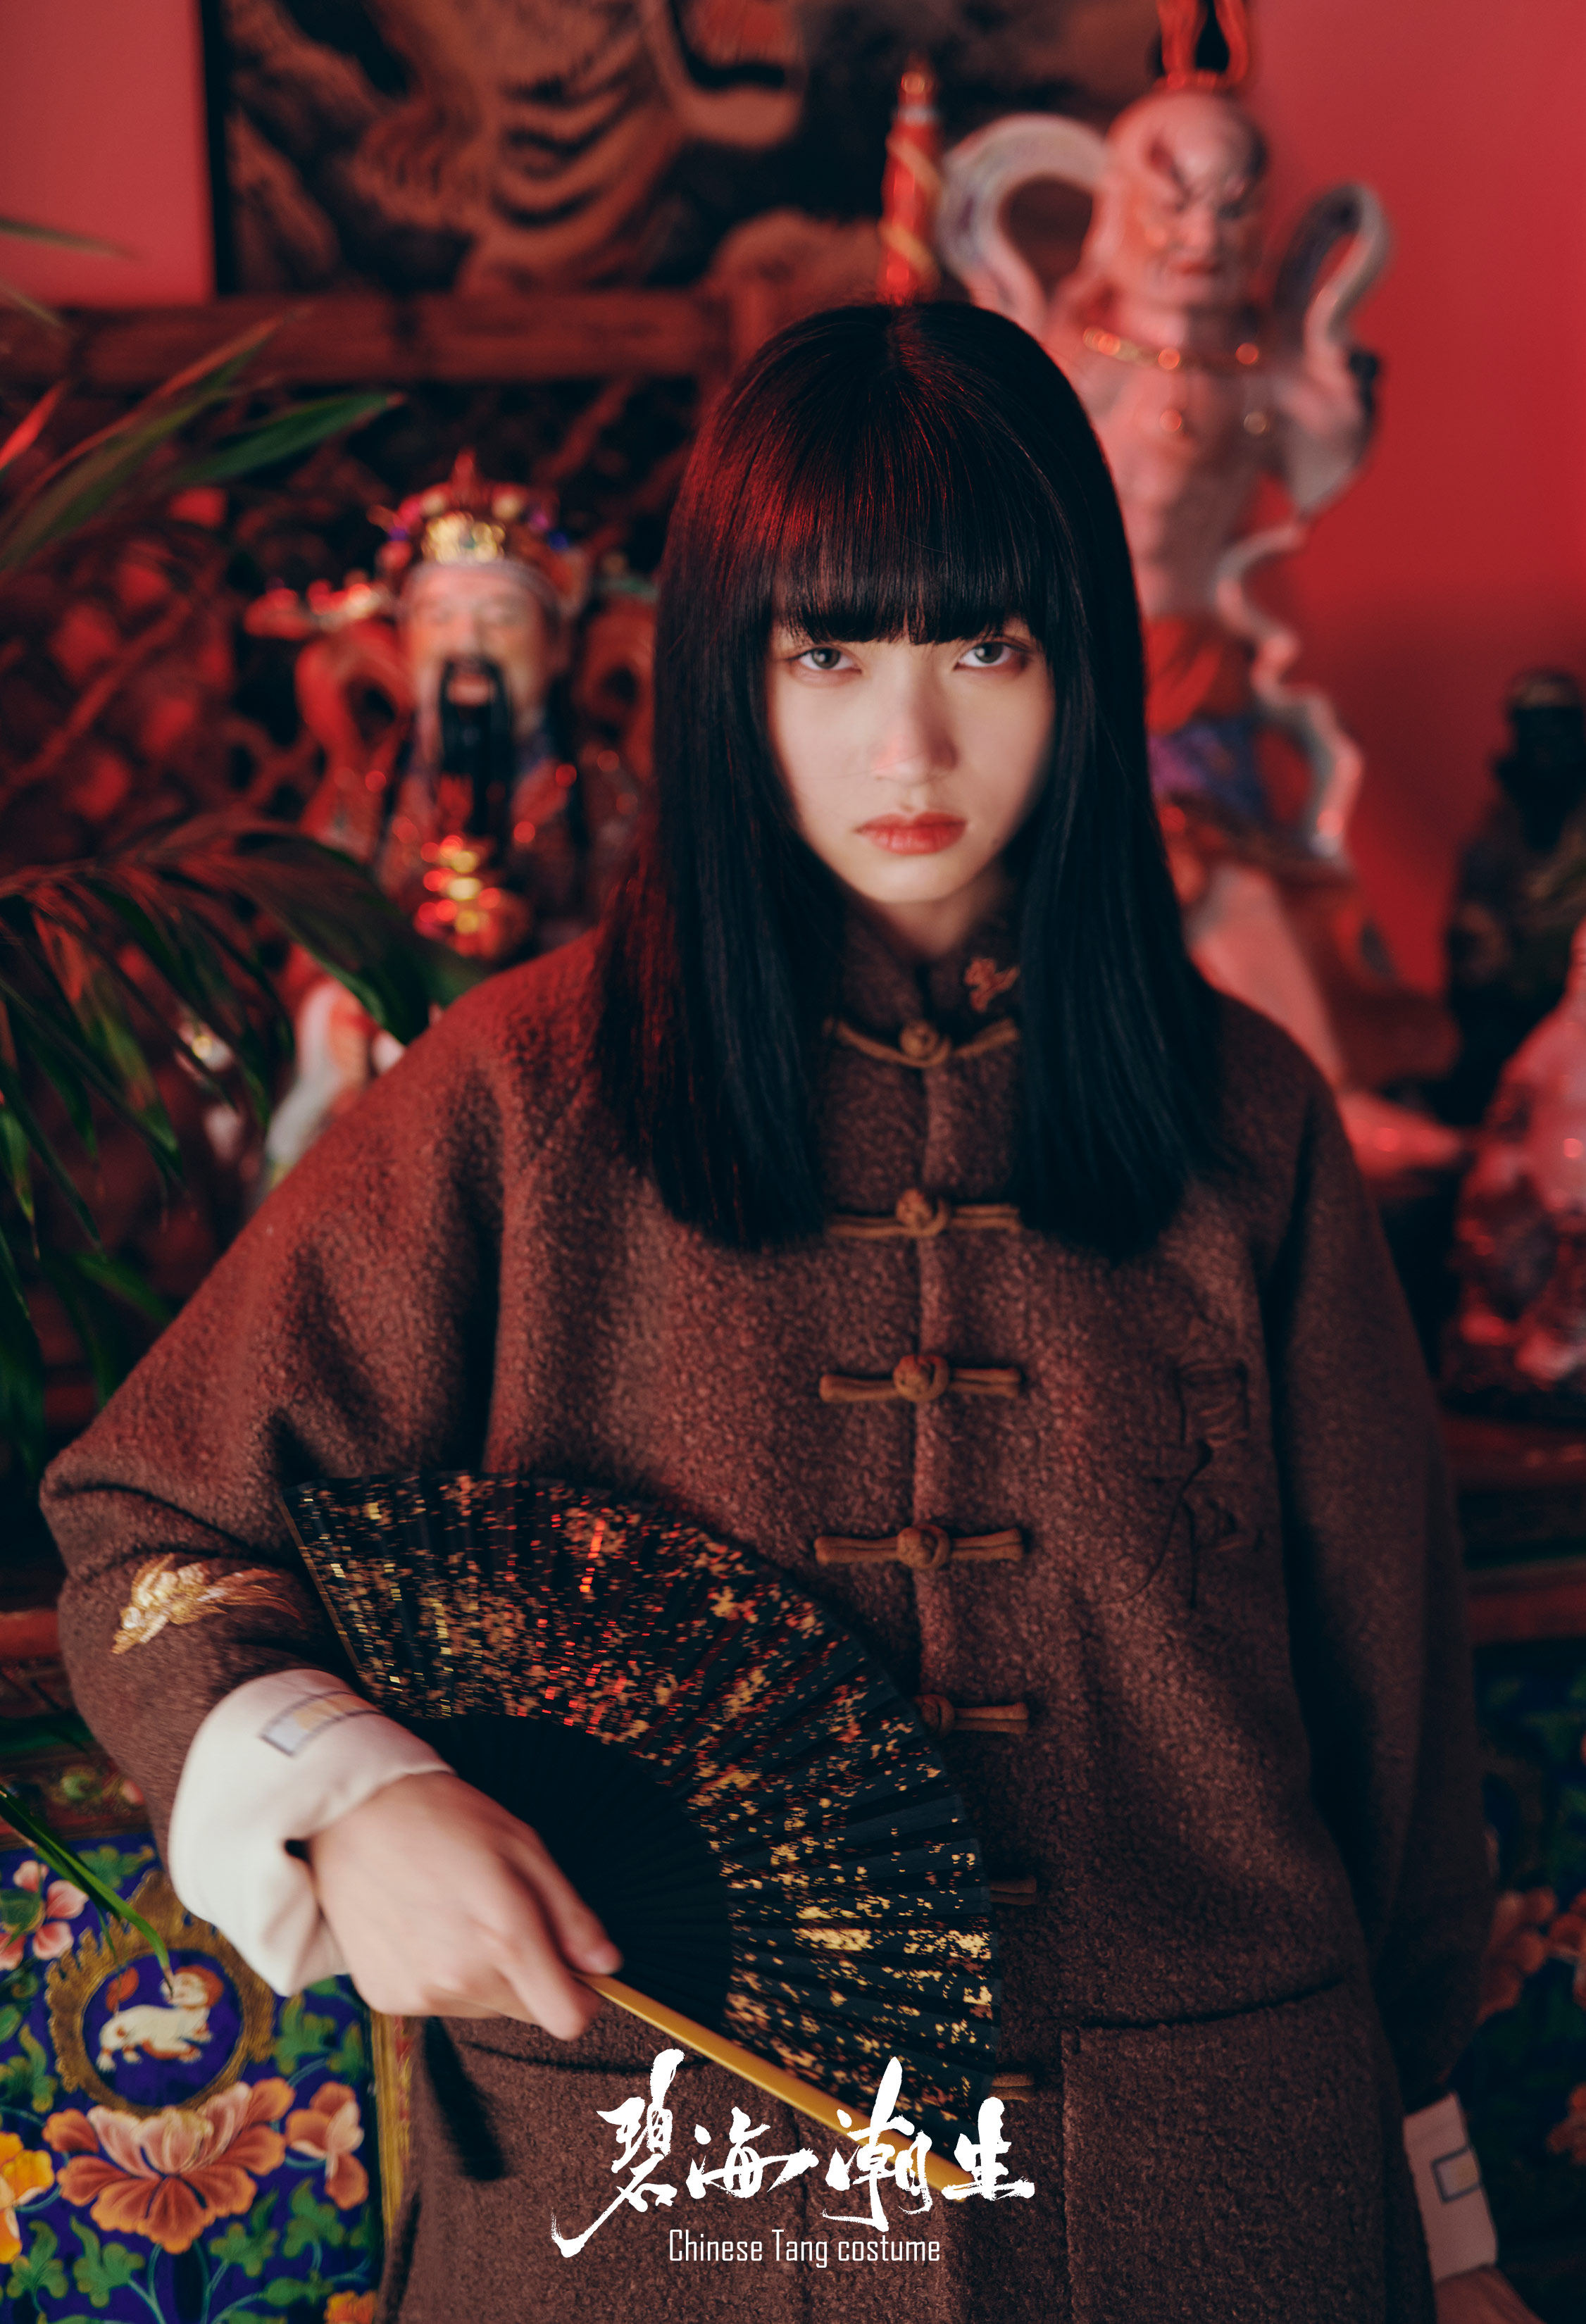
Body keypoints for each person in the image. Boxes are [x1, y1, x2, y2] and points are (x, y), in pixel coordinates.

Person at [42, 304, 1509, 2323]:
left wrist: (1455, 2235)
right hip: (655, 2208)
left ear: (1080, 664)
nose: (906, 749)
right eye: (828, 655)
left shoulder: (1246, 1120)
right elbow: (149, 1525)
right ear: (724, 671)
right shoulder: (517, 1098)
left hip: (1210, 2197)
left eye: (982, 648)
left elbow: (1394, 1725)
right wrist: (346, 1791)